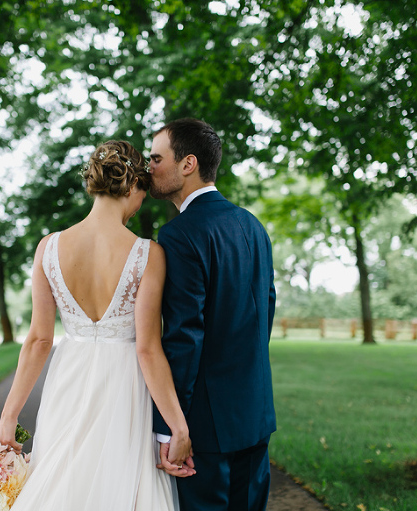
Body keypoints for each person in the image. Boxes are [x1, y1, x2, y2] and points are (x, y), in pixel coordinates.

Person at [0, 140, 192, 510]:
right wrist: (178, 427)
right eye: (142, 196)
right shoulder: (148, 254)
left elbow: (38, 340)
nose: (138, 207)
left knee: (63, 482)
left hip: (68, 381)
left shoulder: (48, 248)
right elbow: (148, 350)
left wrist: (9, 417)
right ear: (132, 187)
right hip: (125, 388)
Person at [149, 118, 277, 511]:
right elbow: (266, 307)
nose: (148, 167)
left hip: (205, 428)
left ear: (188, 164)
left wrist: (168, 427)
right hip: (254, 412)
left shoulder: (179, 234)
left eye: (156, 158)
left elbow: (183, 337)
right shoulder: (252, 226)